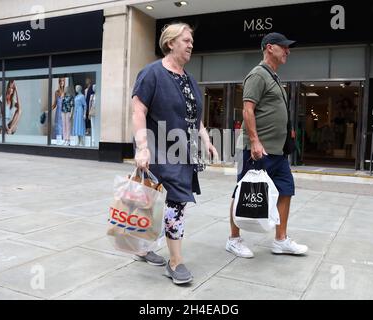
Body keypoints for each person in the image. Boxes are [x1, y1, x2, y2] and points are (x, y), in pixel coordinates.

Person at [132, 23, 218, 285]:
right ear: (170, 43)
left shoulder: (190, 79)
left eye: (192, 41)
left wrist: (207, 141)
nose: (191, 44)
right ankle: (175, 261)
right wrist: (143, 147)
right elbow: (138, 111)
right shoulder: (151, 73)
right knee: (167, 199)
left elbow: (195, 117)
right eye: (186, 40)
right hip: (160, 147)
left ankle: (149, 250)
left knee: (164, 200)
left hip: (184, 149)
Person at [226, 32, 308, 258]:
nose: (288, 51)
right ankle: (233, 239)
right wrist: (254, 140)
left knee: (286, 190)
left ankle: (280, 240)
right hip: (257, 150)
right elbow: (248, 109)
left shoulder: (274, 77)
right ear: (270, 48)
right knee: (243, 192)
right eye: (284, 47)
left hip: (277, 152)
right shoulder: (258, 75)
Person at [52, 78, 65, 144]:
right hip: (58, 112)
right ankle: (58, 142)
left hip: (64, 112)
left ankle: (64, 141)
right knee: (58, 126)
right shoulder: (56, 92)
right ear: (59, 82)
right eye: (60, 81)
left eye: (63, 81)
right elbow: (55, 104)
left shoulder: (66, 92)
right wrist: (49, 109)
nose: (61, 82)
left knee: (64, 126)